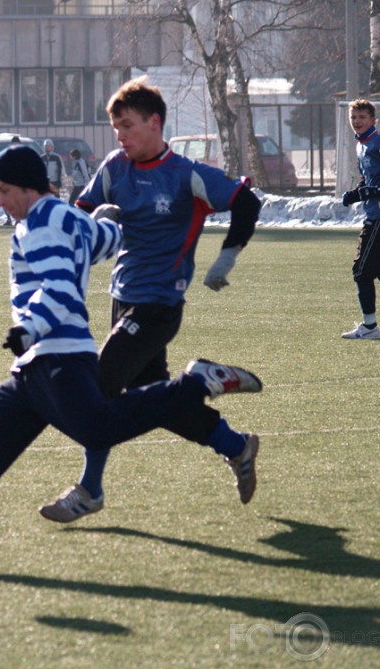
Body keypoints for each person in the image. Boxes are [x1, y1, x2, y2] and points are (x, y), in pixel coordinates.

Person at [0, 146, 262, 570]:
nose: (0, 201)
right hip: (38, 366)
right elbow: (105, 241)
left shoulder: (37, 224)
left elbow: (61, 289)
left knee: (97, 428)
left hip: (55, 355)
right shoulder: (68, 218)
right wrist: (104, 221)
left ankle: (197, 383)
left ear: (28, 188)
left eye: (5, 190)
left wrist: (29, 329)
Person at [40, 77, 262, 523]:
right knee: (153, 402)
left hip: (160, 304)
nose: (120, 135)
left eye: (127, 125)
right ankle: (235, 445)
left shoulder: (185, 174)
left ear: (154, 122)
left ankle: (90, 490)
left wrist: (227, 258)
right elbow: (76, 216)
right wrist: (90, 223)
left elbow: (246, 202)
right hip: (121, 298)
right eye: (116, 128)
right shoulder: (113, 168)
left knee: (98, 387)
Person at [340, 98, 380, 340]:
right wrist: (356, 193)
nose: (356, 121)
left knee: (361, 271)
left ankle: (370, 327)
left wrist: (377, 192)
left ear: (373, 120)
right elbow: (368, 181)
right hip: (374, 216)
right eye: (353, 117)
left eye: (362, 117)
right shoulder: (361, 146)